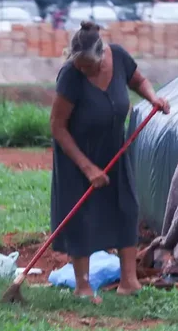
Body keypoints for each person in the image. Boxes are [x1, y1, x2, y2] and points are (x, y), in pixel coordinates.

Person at [49, 21, 170, 298]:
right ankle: (83, 286)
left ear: (102, 55)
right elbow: (57, 126)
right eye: (78, 65)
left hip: (114, 147)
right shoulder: (70, 75)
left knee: (126, 207)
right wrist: (88, 167)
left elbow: (138, 80)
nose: (83, 70)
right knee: (82, 216)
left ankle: (129, 282)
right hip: (78, 153)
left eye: (88, 66)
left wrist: (153, 98)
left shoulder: (119, 57)